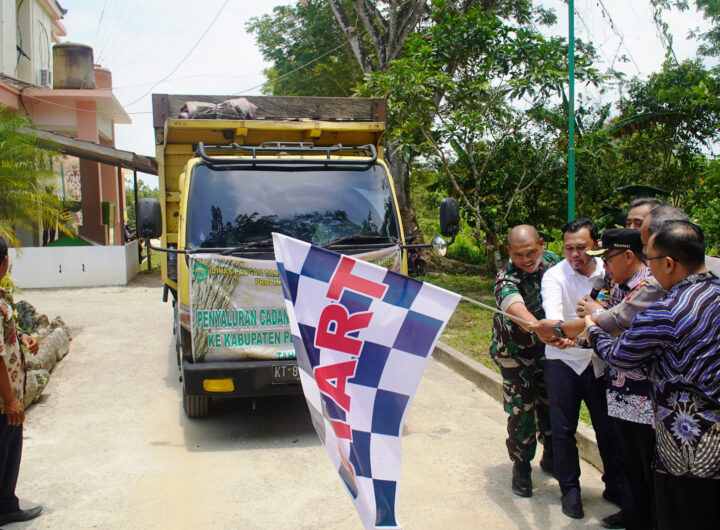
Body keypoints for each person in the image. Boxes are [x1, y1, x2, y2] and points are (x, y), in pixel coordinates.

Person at [585, 221, 720, 530]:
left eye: (651, 259)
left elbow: (620, 355)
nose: (648, 267)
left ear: (669, 263)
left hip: (688, 449)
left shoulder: (665, 310)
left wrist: (592, 328)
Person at [538, 218, 622, 519]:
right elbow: (554, 319)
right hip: (562, 361)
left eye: (582, 248)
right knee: (563, 430)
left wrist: (574, 330)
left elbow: (619, 314)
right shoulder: (554, 276)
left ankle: (616, 485)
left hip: (599, 360)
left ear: (595, 245)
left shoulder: (609, 272)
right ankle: (570, 490)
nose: (575, 255)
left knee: (608, 428)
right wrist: (563, 331)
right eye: (568, 248)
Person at [490, 225, 558, 497]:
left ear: (541, 244)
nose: (527, 259)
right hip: (514, 353)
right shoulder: (506, 277)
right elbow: (513, 305)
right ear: (509, 252)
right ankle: (521, 465)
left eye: (531, 252)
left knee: (551, 402)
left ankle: (551, 454)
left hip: (547, 350)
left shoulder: (552, 262)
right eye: (519, 255)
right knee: (522, 409)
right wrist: (538, 326)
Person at [0, 239, 42, 525]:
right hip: (4, 401)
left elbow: (6, 335)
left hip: (8, 398)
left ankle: (7, 504)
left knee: (9, 452)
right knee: (5, 452)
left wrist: (23, 337)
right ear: (5, 261)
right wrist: (11, 400)